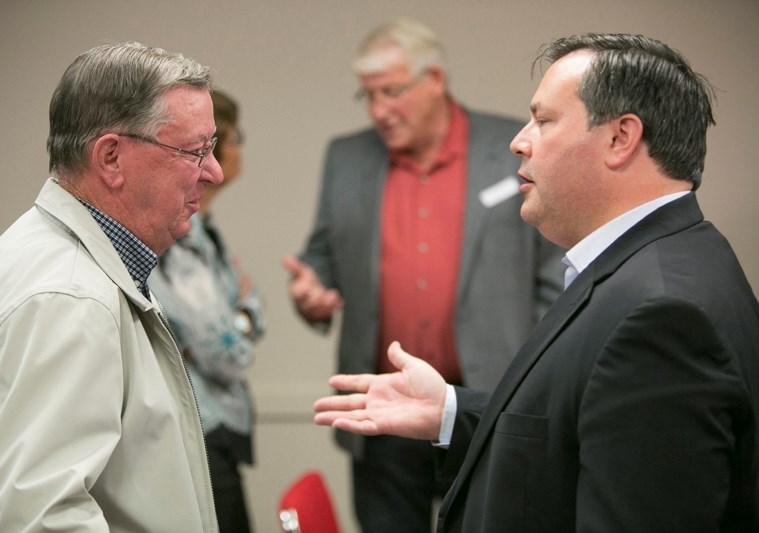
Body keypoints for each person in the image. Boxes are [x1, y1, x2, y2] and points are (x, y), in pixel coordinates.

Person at [313, 32, 759, 532]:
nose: (519, 141)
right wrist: (450, 409)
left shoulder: (662, 314)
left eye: (543, 121)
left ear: (620, 138)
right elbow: (575, 425)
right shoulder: (665, 258)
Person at [283, 17, 564, 533]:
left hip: (489, 400)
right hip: (384, 407)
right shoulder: (347, 157)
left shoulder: (512, 148)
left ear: (435, 78)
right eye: (367, 96)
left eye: (392, 92)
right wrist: (312, 293)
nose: (379, 111)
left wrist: (537, 369)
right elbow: (320, 256)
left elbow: (554, 268)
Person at [0, 42, 223, 532]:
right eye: (195, 151)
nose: (214, 171)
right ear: (110, 158)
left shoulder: (57, 262)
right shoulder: (67, 297)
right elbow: (44, 521)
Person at [148, 89, 264, 533]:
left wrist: (242, 317)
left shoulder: (205, 231)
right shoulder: (178, 240)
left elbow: (253, 310)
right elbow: (228, 353)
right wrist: (242, 319)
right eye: (232, 140)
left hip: (214, 425)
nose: (231, 154)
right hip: (199, 428)